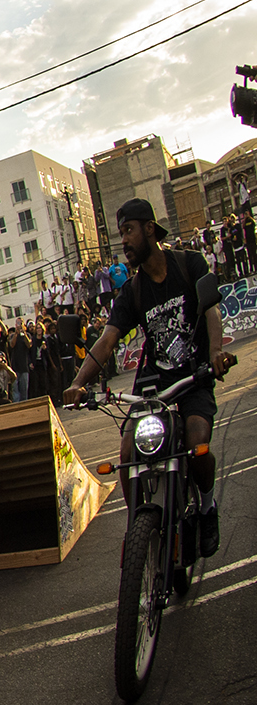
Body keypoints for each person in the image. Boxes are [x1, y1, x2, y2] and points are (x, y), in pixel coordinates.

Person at [65, 198, 233, 556]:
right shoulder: (132, 291)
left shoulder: (189, 264)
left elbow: (211, 311)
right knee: (127, 451)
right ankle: (138, 529)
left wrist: (216, 352)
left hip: (193, 376)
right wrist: (79, 383)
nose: (123, 240)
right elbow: (108, 340)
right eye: (120, 232)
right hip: (152, 384)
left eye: (129, 230)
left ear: (150, 229)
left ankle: (206, 508)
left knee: (198, 441)